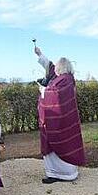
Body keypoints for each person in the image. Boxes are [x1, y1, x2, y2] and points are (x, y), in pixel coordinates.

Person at [34, 47, 86, 184]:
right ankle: (54, 173)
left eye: (57, 67)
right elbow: (49, 67)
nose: (55, 69)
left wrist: (43, 90)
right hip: (53, 121)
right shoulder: (60, 77)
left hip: (62, 122)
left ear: (61, 67)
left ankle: (64, 174)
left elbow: (56, 95)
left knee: (63, 144)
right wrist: (40, 54)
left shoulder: (66, 80)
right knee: (52, 146)